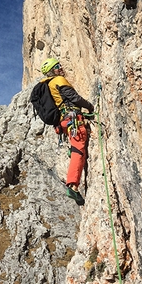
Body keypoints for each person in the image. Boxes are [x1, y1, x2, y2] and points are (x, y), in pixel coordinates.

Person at [40, 58, 94, 206]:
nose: (61, 68)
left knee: (75, 145)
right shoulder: (58, 80)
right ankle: (73, 185)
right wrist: (90, 106)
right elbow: (73, 97)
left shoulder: (48, 85)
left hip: (64, 121)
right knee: (79, 148)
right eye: (57, 66)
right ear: (52, 70)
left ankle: (72, 152)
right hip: (72, 119)